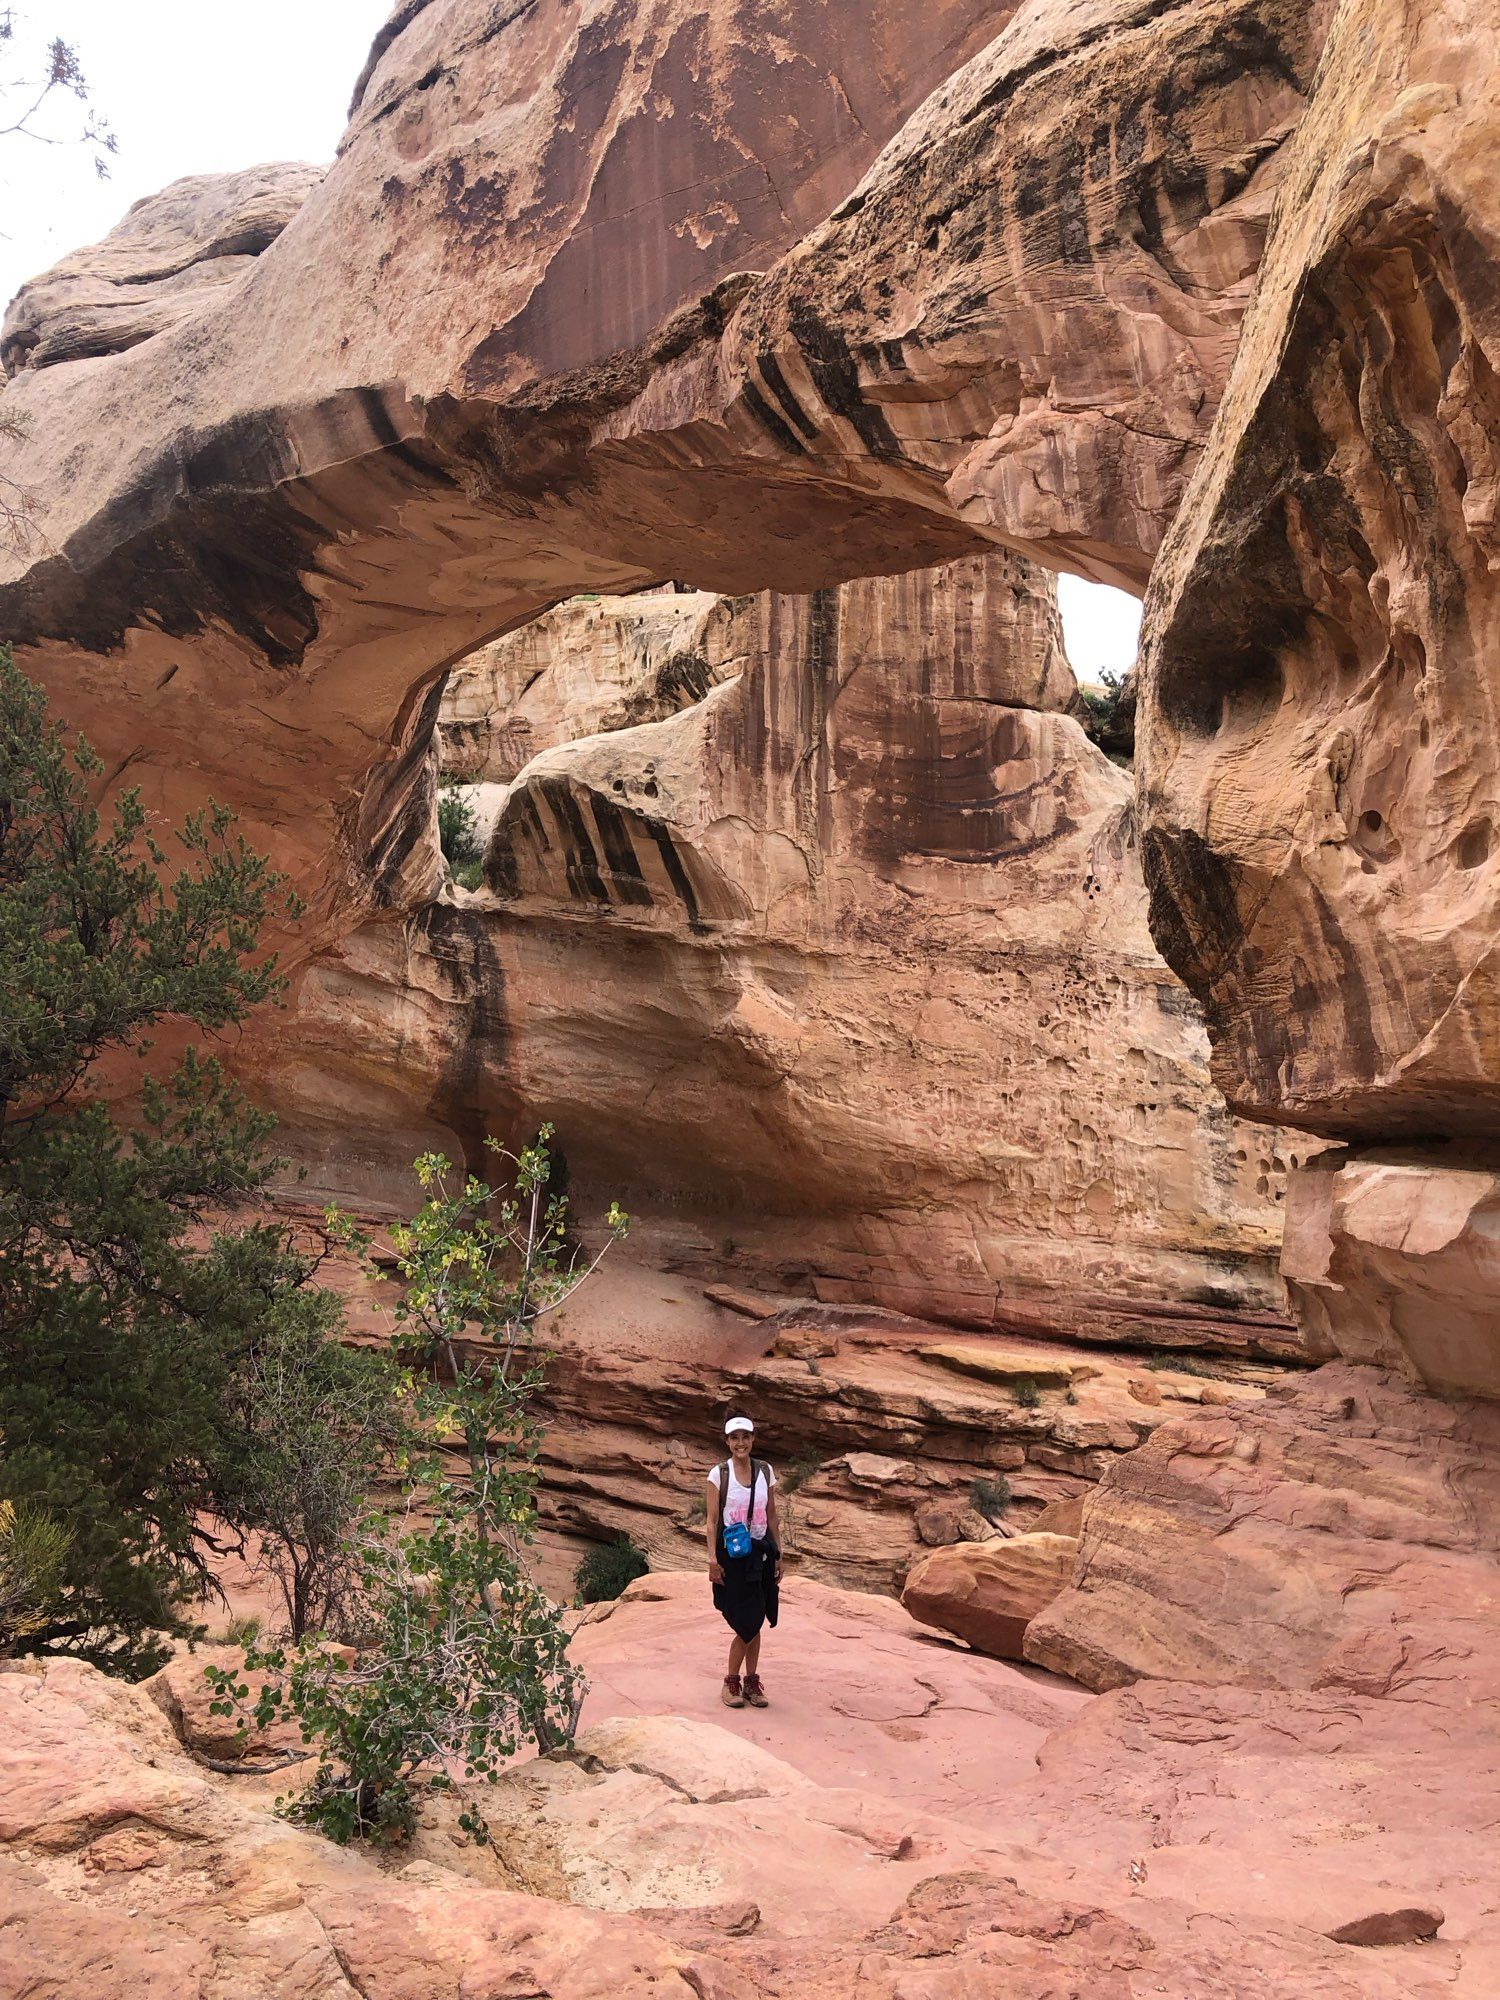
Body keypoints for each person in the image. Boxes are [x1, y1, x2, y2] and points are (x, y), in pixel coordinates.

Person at [705, 1411, 782, 1708]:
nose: (741, 1443)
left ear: (753, 1439)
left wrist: (779, 1553)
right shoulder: (718, 1474)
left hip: (761, 1552)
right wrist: (712, 1560)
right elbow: (711, 1521)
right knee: (745, 1622)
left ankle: (751, 1682)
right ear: (727, 1441)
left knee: (758, 1617)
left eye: (745, 1437)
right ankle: (732, 1681)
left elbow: (772, 1514)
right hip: (734, 1556)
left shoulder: (765, 1471)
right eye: (735, 1438)